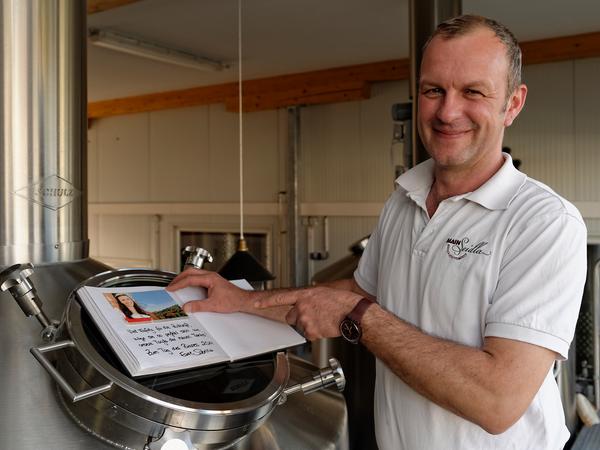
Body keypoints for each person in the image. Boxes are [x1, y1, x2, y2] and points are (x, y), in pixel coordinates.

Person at [168, 15, 586, 450]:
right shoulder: (404, 199)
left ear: (513, 104)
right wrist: (242, 301)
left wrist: (357, 314)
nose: (447, 111)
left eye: (473, 92)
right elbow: (362, 291)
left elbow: (496, 402)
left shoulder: (544, 223)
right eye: (433, 90)